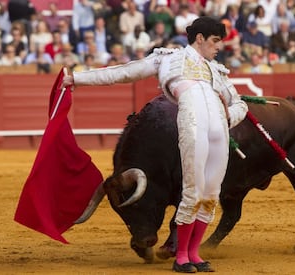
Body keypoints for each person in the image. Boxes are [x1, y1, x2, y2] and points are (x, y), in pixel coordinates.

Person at [61, 16, 248, 273]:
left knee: (211, 195)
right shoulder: (167, 58)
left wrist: (229, 116)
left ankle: (195, 253)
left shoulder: (218, 71)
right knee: (193, 191)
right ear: (200, 38)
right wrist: (78, 79)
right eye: (216, 41)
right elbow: (123, 72)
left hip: (219, 129)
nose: (219, 47)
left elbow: (241, 104)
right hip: (193, 123)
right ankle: (181, 256)